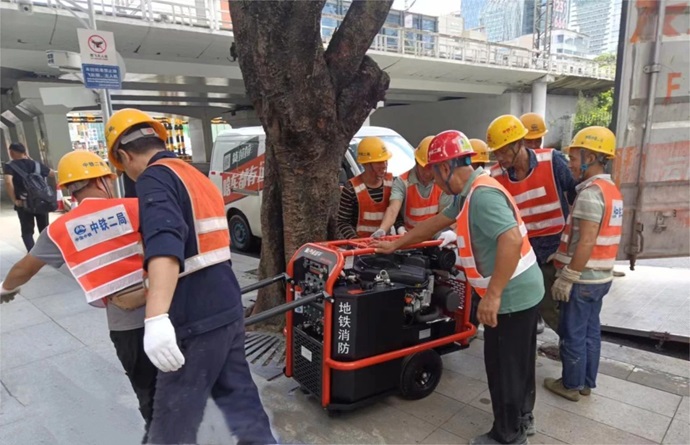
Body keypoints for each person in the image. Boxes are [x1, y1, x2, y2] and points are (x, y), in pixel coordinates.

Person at [105, 108, 275, 445]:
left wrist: (155, 319)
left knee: (172, 422)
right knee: (241, 401)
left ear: (124, 156)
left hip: (195, 316)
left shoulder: (154, 177)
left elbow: (166, 245)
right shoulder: (194, 175)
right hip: (226, 306)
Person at [374, 130, 544, 445]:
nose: (435, 183)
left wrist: (492, 297)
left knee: (503, 367)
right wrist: (396, 243)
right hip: (523, 290)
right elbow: (437, 221)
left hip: (510, 296)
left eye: (435, 173)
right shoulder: (468, 192)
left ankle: (508, 436)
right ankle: (522, 419)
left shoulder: (481, 195)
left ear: (446, 167)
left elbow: (510, 239)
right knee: (519, 362)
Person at [0, 149, 157, 442]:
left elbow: (24, 269)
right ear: (102, 181)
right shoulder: (135, 207)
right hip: (168, 309)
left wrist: (4, 291)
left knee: (148, 393)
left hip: (127, 326)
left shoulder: (60, 230)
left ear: (69, 191)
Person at [543, 126, 623, 401]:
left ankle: (570, 385)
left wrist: (568, 276)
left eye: (574, 157)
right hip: (601, 277)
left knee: (572, 332)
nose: (570, 163)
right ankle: (586, 382)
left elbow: (587, 241)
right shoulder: (611, 191)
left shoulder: (590, 194)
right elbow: (587, 240)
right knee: (590, 332)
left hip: (583, 280)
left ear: (590, 156)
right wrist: (561, 256)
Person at [486, 114, 577, 341]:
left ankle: (573, 361)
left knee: (556, 313)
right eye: (496, 152)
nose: (500, 157)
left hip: (553, 253)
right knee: (527, 312)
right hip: (523, 257)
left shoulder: (552, 161)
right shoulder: (497, 175)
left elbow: (576, 198)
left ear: (519, 144)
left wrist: (571, 248)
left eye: (504, 151)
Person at [371, 136, 452, 238]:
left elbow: (444, 217)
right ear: (416, 162)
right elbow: (393, 209)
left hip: (434, 238)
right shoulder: (402, 182)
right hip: (410, 239)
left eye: (430, 168)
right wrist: (382, 229)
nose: (427, 173)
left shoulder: (442, 183)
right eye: (424, 168)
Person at [338, 136, 399, 238]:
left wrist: (401, 229)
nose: (384, 165)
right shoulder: (351, 188)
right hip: (360, 248)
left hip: (386, 245)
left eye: (385, 161)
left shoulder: (392, 183)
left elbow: (397, 215)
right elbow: (343, 222)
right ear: (366, 164)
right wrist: (357, 243)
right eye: (379, 162)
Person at [3, 142, 55, 251]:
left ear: (11, 152)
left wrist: (14, 200)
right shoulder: (35, 164)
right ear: (24, 152)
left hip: (23, 202)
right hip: (42, 201)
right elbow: (52, 173)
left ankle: (32, 255)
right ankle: (46, 252)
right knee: (44, 229)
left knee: (27, 231)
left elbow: (8, 182)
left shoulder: (9, 165)